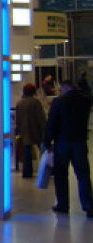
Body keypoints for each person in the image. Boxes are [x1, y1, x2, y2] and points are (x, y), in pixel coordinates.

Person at [43, 80, 93, 218]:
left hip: (62, 142)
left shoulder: (58, 102)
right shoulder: (85, 101)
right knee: (83, 174)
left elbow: (52, 123)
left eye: (61, 89)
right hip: (79, 142)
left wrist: (47, 141)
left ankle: (63, 205)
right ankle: (88, 205)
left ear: (65, 87)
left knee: (61, 174)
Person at [15, 83, 46, 179]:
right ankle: (46, 169)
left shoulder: (19, 103)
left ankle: (27, 172)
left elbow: (17, 119)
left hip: (24, 130)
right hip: (36, 129)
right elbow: (41, 118)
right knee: (43, 150)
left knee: (26, 151)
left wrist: (19, 131)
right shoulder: (36, 102)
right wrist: (45, 129)